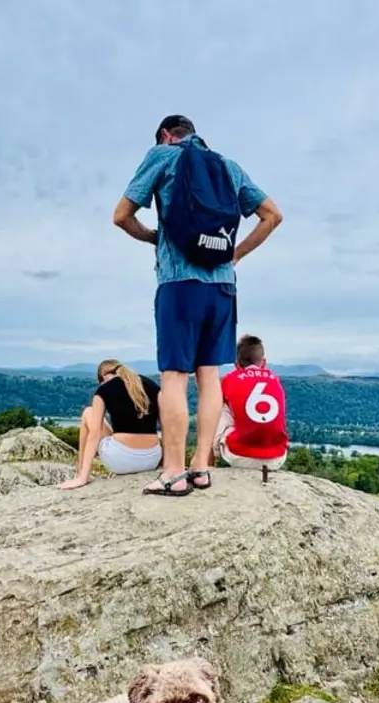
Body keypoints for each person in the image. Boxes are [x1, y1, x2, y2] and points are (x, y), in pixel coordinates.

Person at [114, 115, 283, 496]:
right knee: (209, 376)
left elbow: (121, 216)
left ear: (165, 135)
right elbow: (273, 215)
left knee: (174, 376)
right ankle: (201, 467)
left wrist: (154, 238)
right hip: (222, 288)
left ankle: (173, 472)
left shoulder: (162, 155)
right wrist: (234, 255)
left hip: (179, 284)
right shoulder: (227, 166)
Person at [59, 359, 162, 491]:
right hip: (152, 459)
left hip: (120, 460)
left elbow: (94, 435)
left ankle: (81, 473)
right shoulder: (152, 385)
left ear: (104, 376)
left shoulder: (104, 390)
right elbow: (168, 428)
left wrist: (82, 478)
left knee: (88, 412)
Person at [210, 334, 289, 473]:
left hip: (239, 456)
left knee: (216, 404)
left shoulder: (229, 379)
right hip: (277, 457)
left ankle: (209, 462)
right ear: (263, 363)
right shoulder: (275, 379)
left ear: (236, 365)